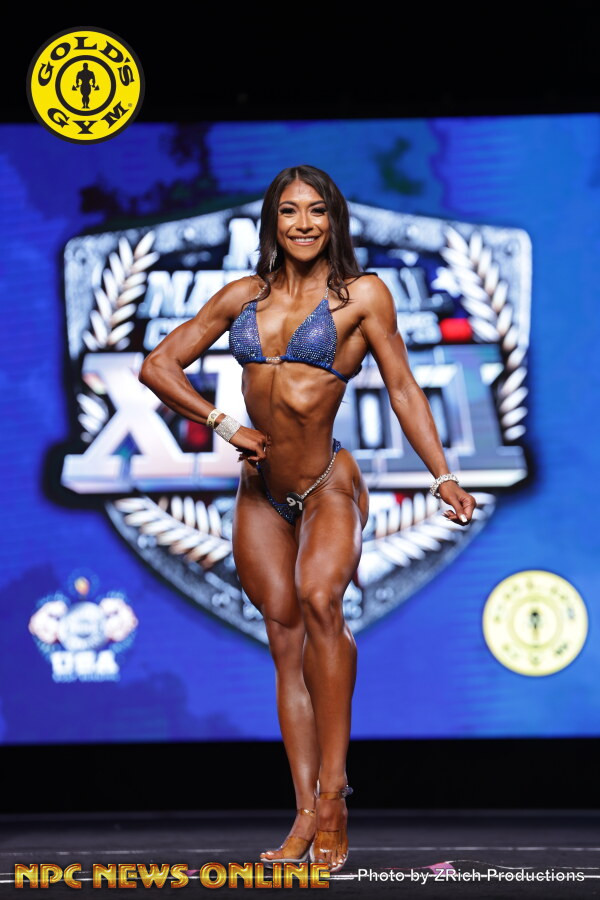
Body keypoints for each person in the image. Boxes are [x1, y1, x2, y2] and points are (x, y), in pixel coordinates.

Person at [139, 164, 477, 874]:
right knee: (284, 644)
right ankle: (302, 815)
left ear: (333, 221)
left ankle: (333, 796)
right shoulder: (241, 296)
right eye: (289, 211)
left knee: (322, 599)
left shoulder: (362, 296)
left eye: (316, 211)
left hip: (327, 484)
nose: (303, 223)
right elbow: (158, 366)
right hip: (260, 493)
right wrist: (223, 423)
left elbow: (403, 389)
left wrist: (442, 474)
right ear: (272, 220)